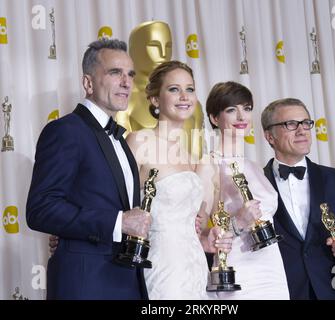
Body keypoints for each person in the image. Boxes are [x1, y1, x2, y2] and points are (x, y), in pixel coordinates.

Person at [26, 38, 151, 300]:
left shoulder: (120, 140)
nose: (126, 82)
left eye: (130, 74)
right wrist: (117, 222)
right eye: (115, 72)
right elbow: (41, 208)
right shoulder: (65, 131)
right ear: (88, 83)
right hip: (86, 284)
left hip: (127, 282)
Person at [126, 60, 232, 300]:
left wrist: (207, 236)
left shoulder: (194, 158)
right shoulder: (139, 141)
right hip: (160, 263)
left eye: (190, 89)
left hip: (195, 266)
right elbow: (118, 203)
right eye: (174, 89)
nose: (184, 96)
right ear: (155, 99)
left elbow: (198, 222)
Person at [261, 97, 335, 299]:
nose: (302, 130)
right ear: (269, 136)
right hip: (285, 292)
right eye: (291, 124)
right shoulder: (254, 184)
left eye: (306, 123)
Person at [197, 81, 290, 299]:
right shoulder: (208, 164)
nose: (241, 117)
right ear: (214, 118)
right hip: (238, 270)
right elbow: (197, 233)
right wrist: (238, 221)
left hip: (273, 269)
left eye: (246, 108)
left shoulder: (254, 166)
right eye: (231, 110)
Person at [115, 20, 204, 159]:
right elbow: (123, 165)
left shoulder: (193, 106)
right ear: (134, 50)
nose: (163, 54)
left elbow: (198, 157)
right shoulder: (123, 102)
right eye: (154, 46)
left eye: (168, 46)